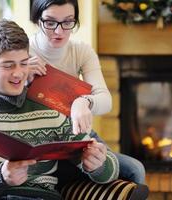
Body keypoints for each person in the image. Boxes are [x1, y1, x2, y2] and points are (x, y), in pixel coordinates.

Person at [0, 19, 119, 200]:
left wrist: (98, 165)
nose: (18, 74)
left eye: (24, 63)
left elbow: (111, 170)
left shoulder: (51, 109)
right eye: (8, 66)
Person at [28, 0, 145, 184]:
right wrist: (20, 73)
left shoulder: (81, 51)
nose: (59, 31)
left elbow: (106, 100)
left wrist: (84, 102)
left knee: (134, 170)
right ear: (36, 20)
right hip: (39, 141)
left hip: (75, 137)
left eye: (67, 22)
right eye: (50, 23)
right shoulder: (22, 53)